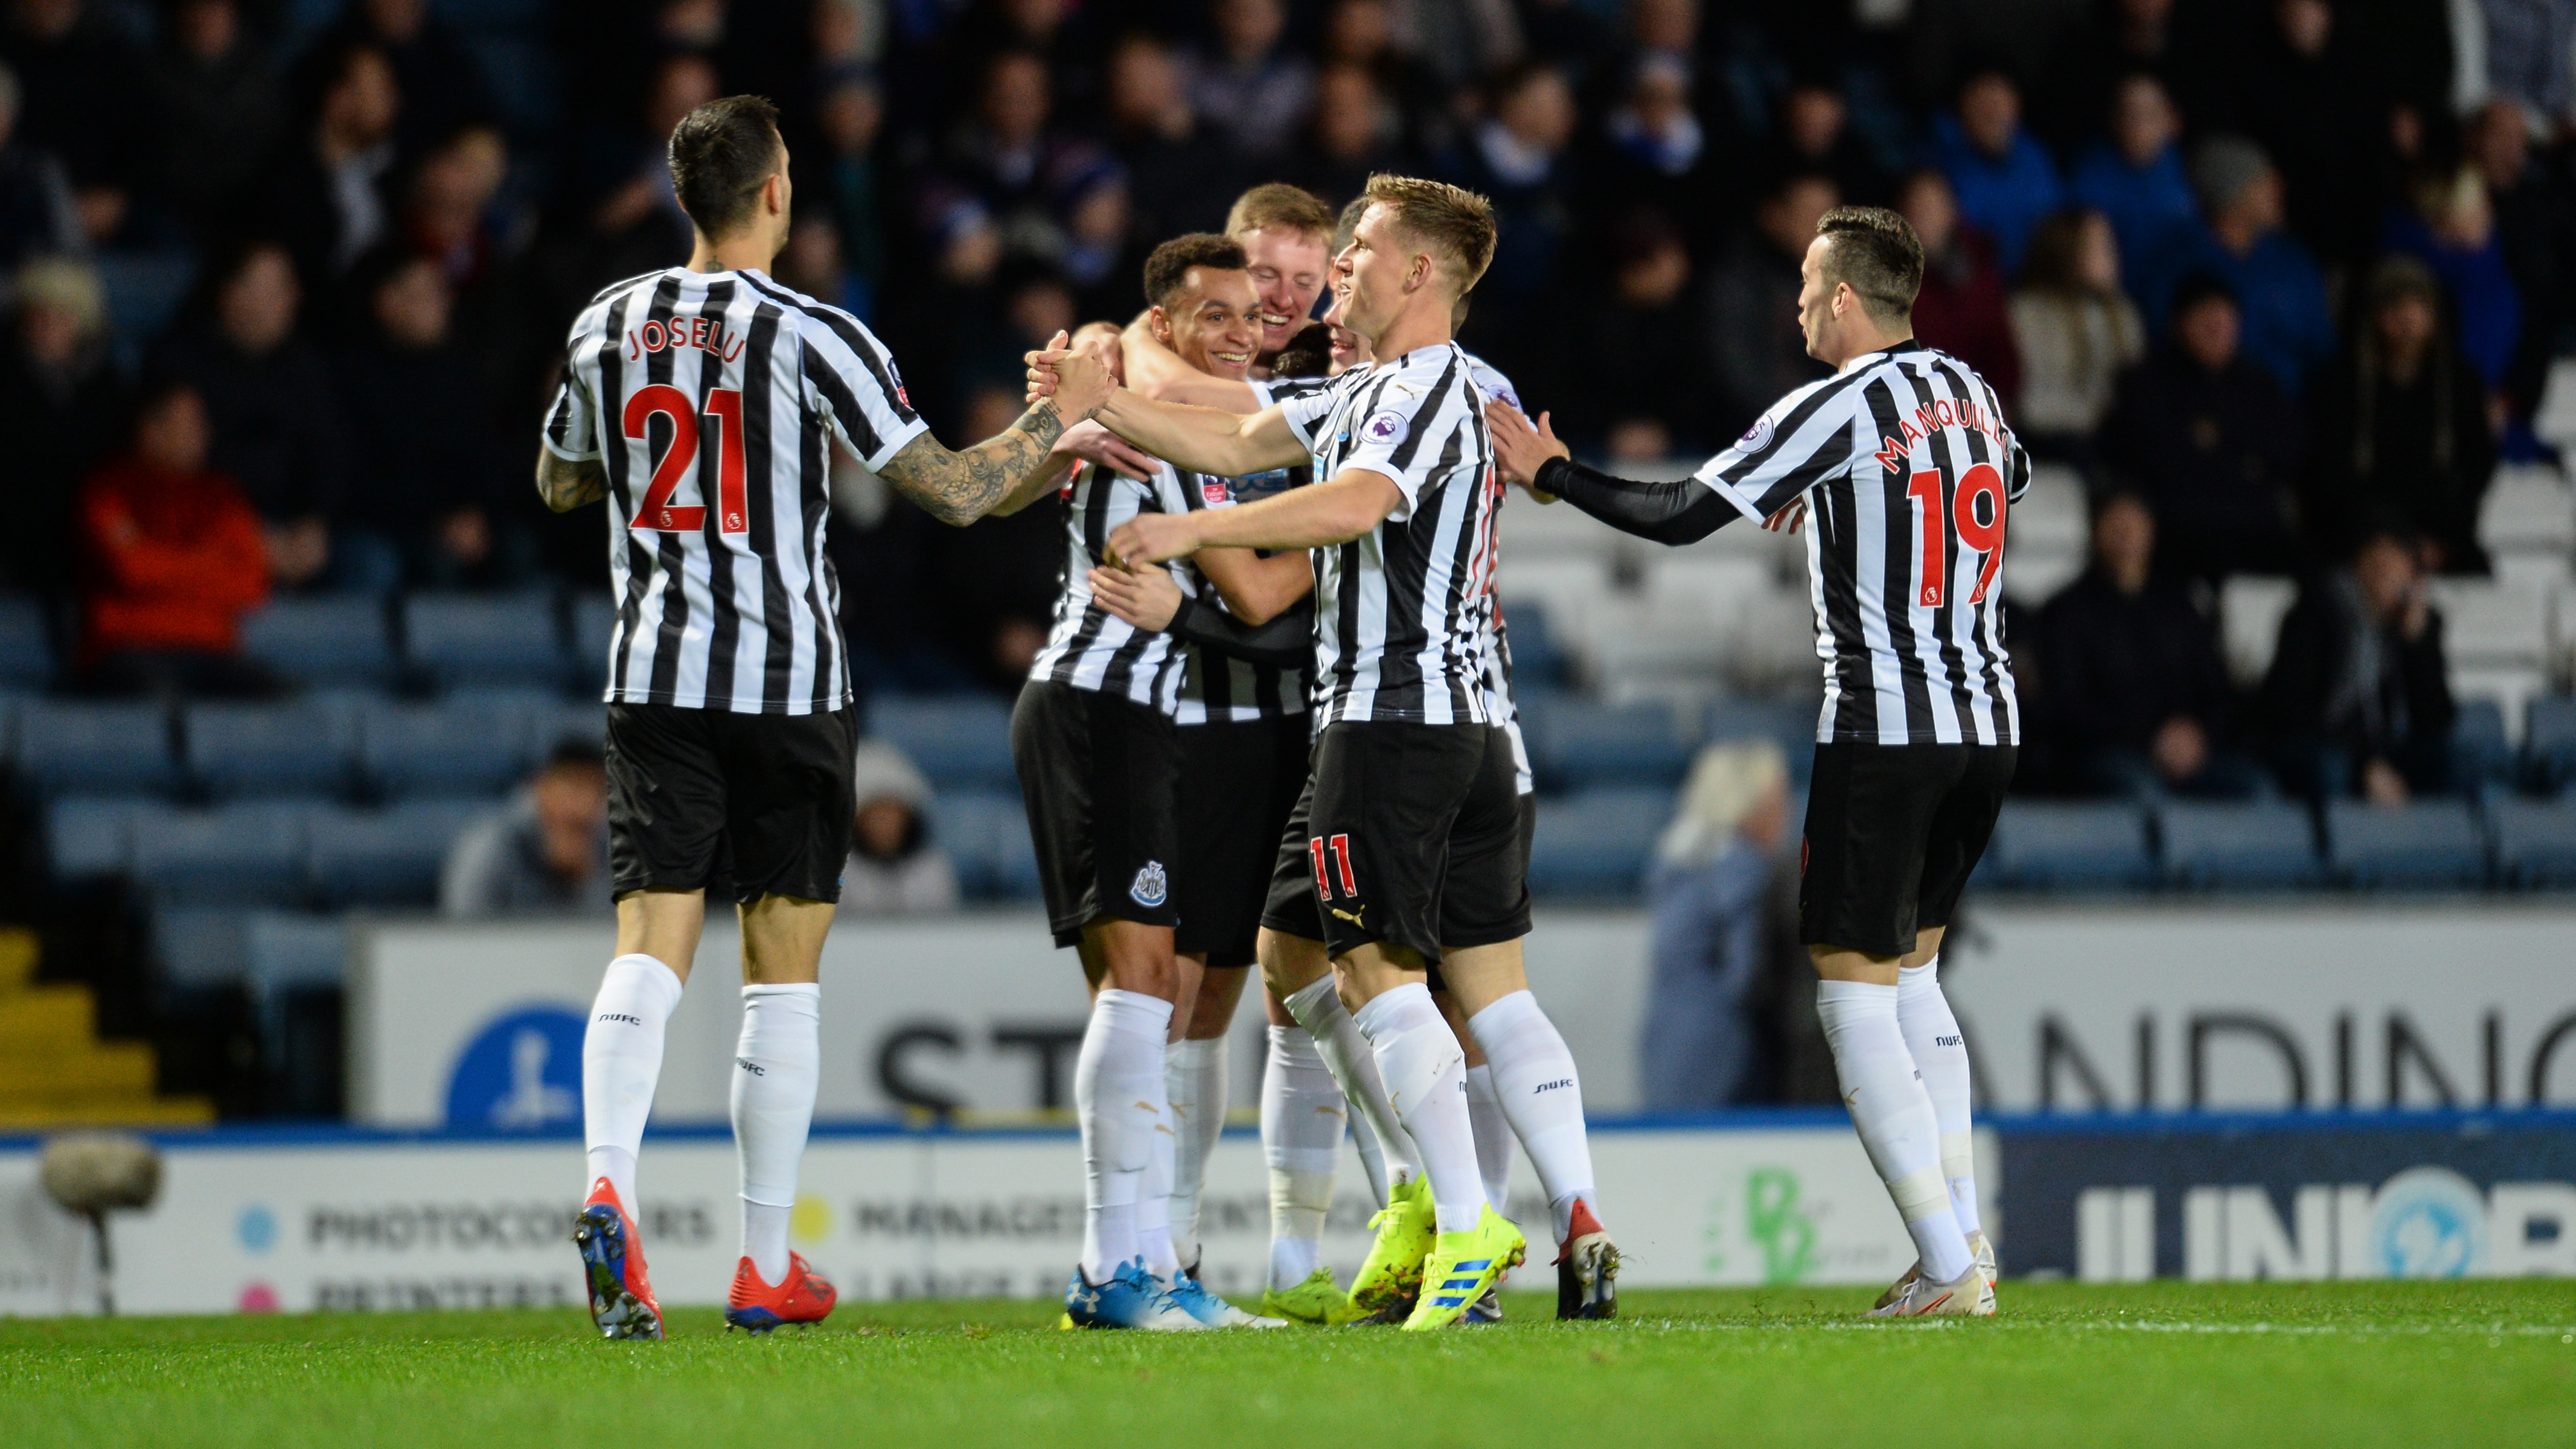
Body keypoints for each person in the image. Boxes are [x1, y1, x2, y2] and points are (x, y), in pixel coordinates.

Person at [537, 94, 1112, 1342]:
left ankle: (608, 1184)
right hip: (789, 684)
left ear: (684, 196)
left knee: (648, 942)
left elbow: (558, 478)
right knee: (781, 976)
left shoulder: (604, 322)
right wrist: (1055, 415)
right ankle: (761, 1263)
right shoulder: (814, 331)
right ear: (777, 194)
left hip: (653, 677)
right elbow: (953, 492)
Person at [1488, 203, 2013, 1317]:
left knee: (1851, 994)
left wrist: (1554, 473)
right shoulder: (1970, 389)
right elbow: (1994, 486)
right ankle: (1964, 1237)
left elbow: (1679, 513)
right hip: (1986, 724)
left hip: (1887, 722)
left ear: (1845, 297)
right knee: (1915, 977)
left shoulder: (1834, 404)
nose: (1797, 303)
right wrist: (1839, 498)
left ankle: (1946, 1263)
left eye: (1809, 284)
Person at [1033, 175, 1536, 1331]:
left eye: (1359, 250)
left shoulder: (1423, 386)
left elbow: (1350, 506)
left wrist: (1190, 526)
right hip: (1393, 718)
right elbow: (1228, 434)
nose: (1337, 270)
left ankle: (1464, 1220)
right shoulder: (1361, 389)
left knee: (1382, 978)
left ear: (1421, 273)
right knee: (1341, 970)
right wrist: (1102, 401)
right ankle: (1447, 1215)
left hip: (1399, 717)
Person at [1009, 235, 1322, 1332]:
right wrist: (1363, 526)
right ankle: (1114, 1269)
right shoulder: (1158, 428)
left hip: (1134, 713)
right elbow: (1254, 593)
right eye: (1213, 316)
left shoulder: (1155, 416)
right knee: (1144, 989)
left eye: (1249, 315)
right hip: (1097, 707)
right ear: (1162, 326)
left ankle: (1147, 1261)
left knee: (1151, 997)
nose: (1240, 334)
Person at [2034, 492, 2257, 799]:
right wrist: (2150, 738)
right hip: (2107, 754)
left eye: (2135, 522)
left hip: (2191, 753)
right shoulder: (2066, 612)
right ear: (2095, 530)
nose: (2125, 533)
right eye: (2115, 522)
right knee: (2145, 791)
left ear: (2152, 530)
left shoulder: (2181, 606)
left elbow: (2218, 691)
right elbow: (2068, 708)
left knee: (2257, 789)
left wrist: (2198, 735)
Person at [2098, 273, 2305, 585]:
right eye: (2206, 321)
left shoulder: (2258, 384)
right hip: (2177, 526)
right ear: (2180, 323)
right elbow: (2144, 453)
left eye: (2225, 321)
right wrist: (2235, 454)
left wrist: (2220, 446)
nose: (2217, 330)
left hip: (2251, 523)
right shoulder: (2148, 382)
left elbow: (2289, 448)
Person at [75, 378, 272, 698]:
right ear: (150, 430)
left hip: (211, 651)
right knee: (150, 702)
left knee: (279, 702)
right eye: (189, 424)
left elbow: (250, 583)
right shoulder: (108, 490)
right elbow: (131, 571)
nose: (203, 434)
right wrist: (209, 563)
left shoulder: (222, 495)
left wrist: (160, 563)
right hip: (128, 647)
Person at [2303, 256, 2496, 575]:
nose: (2407, 319)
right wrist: (2382, 540)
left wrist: (2439, 540)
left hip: (2440, 535)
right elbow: (2329, 471)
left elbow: (2475, 467)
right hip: (2357, 535)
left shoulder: (2460, 384)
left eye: (2417, 307)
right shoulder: (2340, 384)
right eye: (2394, 307)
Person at [1641, 742, 1792, 1109]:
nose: (1786, 813)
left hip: (1666, 1033)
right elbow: (1744, 976)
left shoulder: (1677, 857)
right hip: (1721, 1049)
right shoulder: (1742, 869)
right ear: (1749, 806)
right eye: (1777, 802)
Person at [2259, 530, 2455, 804]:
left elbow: (2435, 721)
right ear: (2358, 566)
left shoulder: (2418, 625)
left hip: (2388, 748)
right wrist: (2364, 765)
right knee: (2331, 767)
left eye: (2396, 568)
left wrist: (2418, 648)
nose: (2386, 577)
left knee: (2457, 761)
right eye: (2379, 565)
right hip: (2323, 743)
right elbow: (2293, 712)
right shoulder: (2318, 613)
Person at [2007, 209, 2144, 465]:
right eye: (2100, 248)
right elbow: (2033, 400)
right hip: (2048, 438)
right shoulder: (2028, 312)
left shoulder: (2122, 314)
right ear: (2068, 252)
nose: (2113, 257)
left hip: (2106, 436)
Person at [441, 740, 613, 917]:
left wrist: (580, 883)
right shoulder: (488, 846)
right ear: (542, 786)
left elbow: (606, 927)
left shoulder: (607, 846)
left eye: (597, 790)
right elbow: (463, 925)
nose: (585, 805)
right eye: (575, 787)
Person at [836, 740, 960, 916]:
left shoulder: (932, 869)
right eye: (876, 815)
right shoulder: (837, 874)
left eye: (893, 813)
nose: (885, 824)